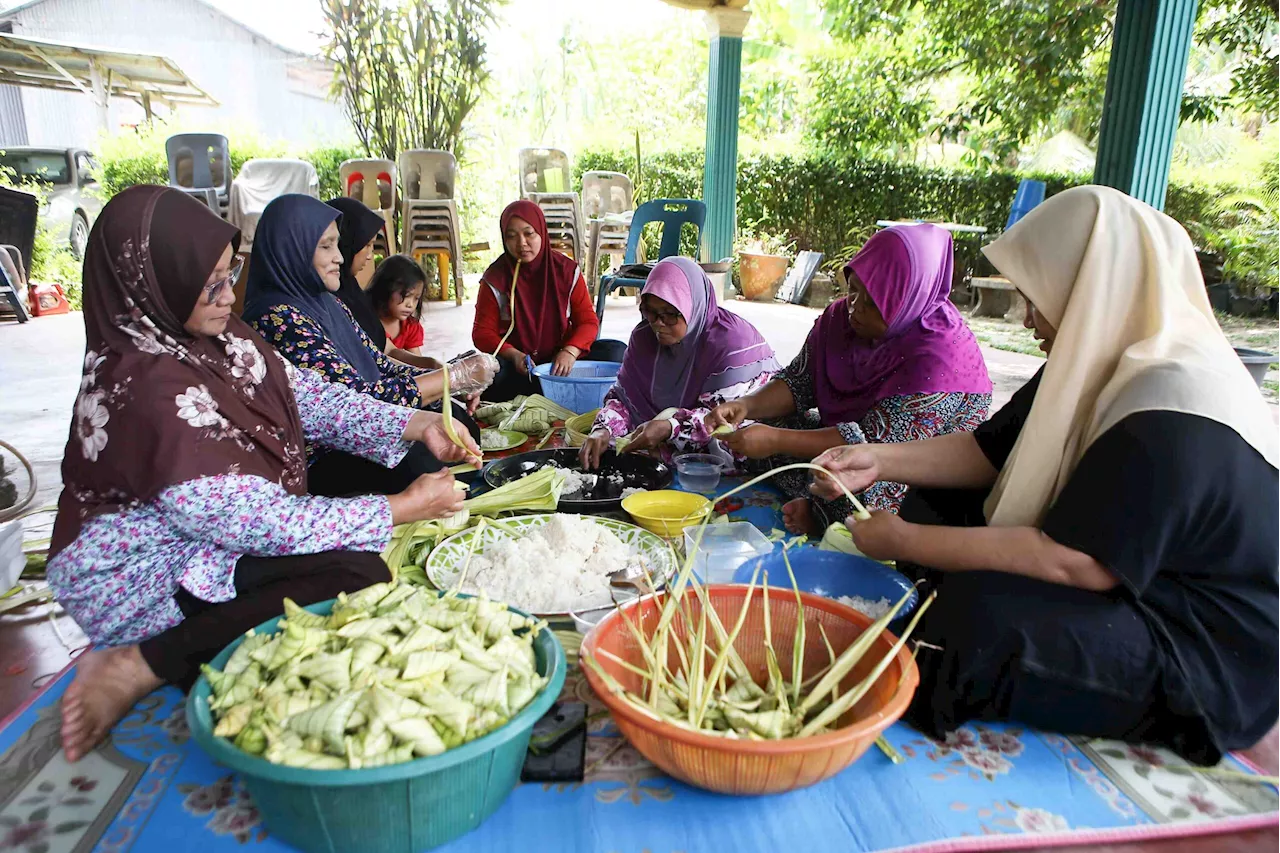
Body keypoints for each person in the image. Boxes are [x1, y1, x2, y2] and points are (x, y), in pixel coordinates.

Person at [811, 186, 1280, 765]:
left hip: (1197, 639)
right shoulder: (1103, 354)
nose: (1028, 318)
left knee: (970, 625)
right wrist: (879, 459)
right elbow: (988, 451)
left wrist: (902, 541)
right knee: (936, 502)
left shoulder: (1175, 404)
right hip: (1124, 573)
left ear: (1092, 291)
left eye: (1038, 298)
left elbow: (1078, 562)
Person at [48, 185, 482, 762]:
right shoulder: (143, 389)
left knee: (358, 572)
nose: (231, 295)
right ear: (151, 281)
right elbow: (262, 522)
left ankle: (170, 650)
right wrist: (402, 507)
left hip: (211, 536)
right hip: (142, 572)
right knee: (349, 579)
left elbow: (313, 398)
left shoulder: (218, 339)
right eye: (212, 285)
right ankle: (139, 661)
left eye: (231, 274)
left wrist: (417, 423)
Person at [707, 224, 991, 534]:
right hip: (848, 443)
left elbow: (874, 446)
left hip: (906, 469)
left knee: (859, 493)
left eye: (873, 303)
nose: (855, 307)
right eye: (853, 289)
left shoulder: (940, 356)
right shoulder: (839, 320)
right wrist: (746, 405)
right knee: (770, 430)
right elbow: (799, 381)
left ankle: (819, 514)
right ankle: (812, 501)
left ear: (908, 300)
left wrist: (775, 440)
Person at [242, 194, 496, 495]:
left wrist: (450, 380)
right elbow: (355, 401)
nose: (339, 256)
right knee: (423, 461)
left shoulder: (330, 302)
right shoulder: (277, 317)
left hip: (372, 423)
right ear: (290, 249)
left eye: (337, 244)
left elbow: (380, 363)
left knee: (455, 418)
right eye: (325, 246)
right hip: (326, 452)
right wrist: (451, 377)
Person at [579, 257, 779, 470]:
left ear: (692, 307)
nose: (658, 324)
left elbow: (721, 421)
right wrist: (604, 429)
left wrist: (670, 427)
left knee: (730, 445)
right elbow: (623, 399)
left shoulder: (731, 344)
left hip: (743, 432)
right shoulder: (644, 338)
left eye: (670, 314)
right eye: (651, 312)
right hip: (675, 433)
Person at [473, 199, 604, 402]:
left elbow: (587, 322)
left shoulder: (567, 272)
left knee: (614, 352)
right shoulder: (496, 278)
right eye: (512, 236)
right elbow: (482, 332)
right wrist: (514, 355)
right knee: (485, 371)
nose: (522, 243)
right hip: (520, 369)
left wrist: (570, 351)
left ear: (541, 232)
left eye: (529, 233)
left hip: (561, 367)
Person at [325, 197, 440, 370]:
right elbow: (376, 363)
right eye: (367, 245)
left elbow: (387, 350)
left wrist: (435, 367)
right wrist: (436, 377)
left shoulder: (351, 290)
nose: (370, 256)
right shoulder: (329, 301)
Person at [370, 254, 429, 355]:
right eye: (406, 295)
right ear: (385, 289)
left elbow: (417, 361)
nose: (410, 305)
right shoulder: (368, 322)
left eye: (416, 298)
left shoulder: (410, 326)